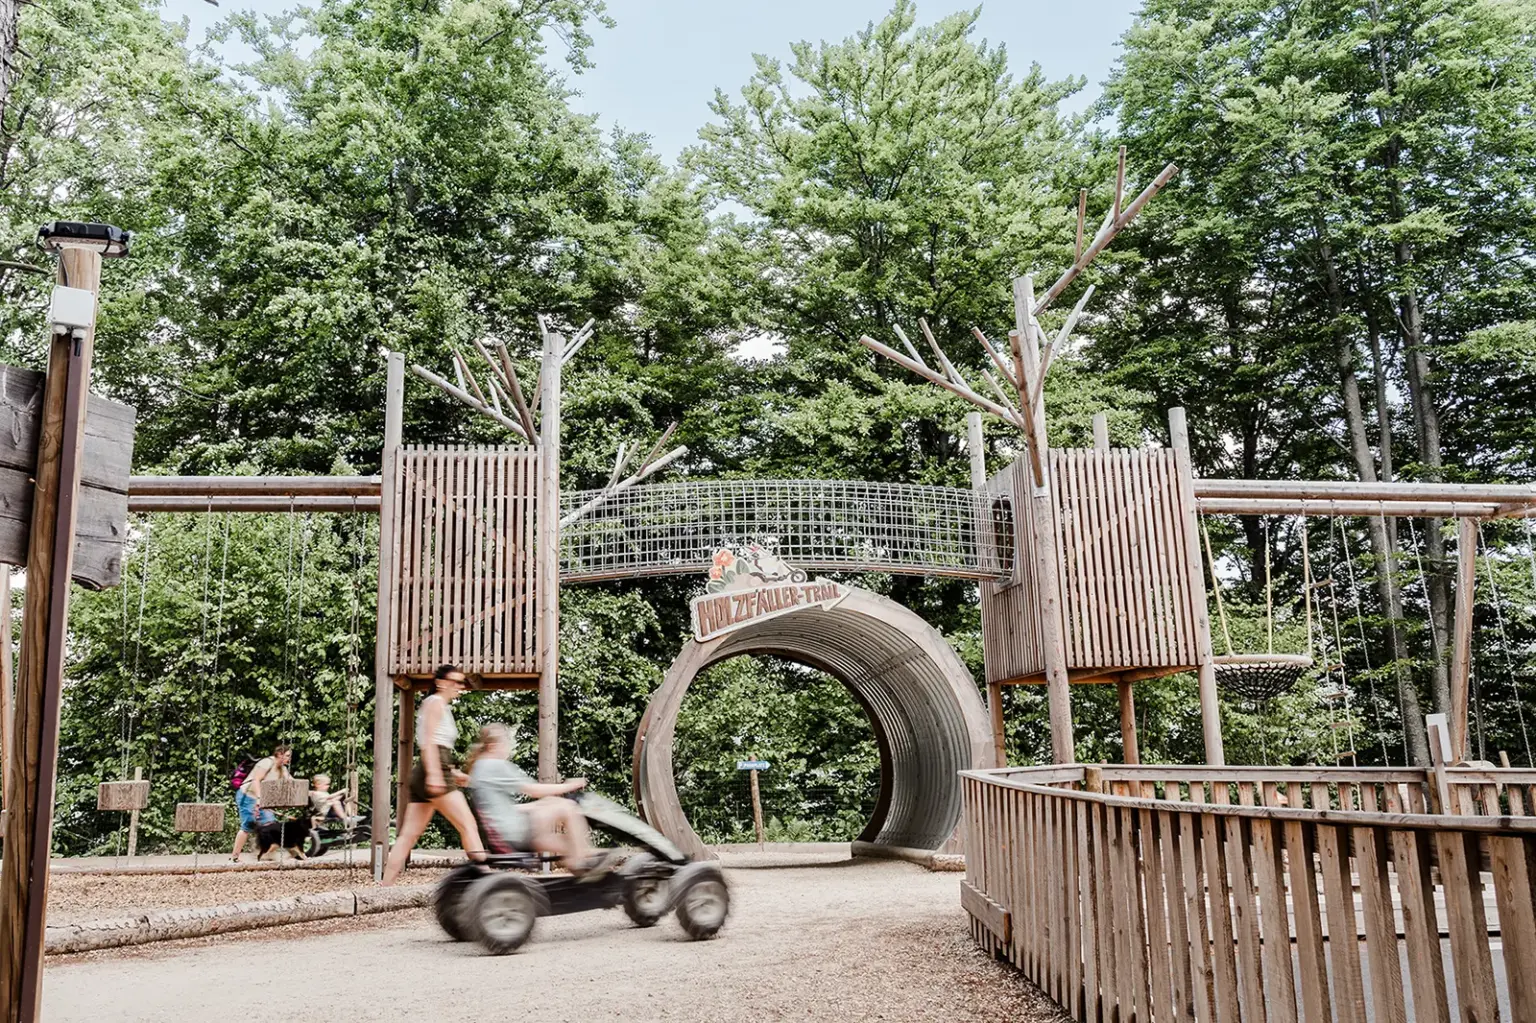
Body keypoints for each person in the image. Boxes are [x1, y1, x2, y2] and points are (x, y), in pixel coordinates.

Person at [381, 664, 486, 886]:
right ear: (440, 682)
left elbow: (438, 747)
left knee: (408, 835)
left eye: (461, 682)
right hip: (432, 771)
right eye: (454, 681)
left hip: (431, 771)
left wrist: (452, 772)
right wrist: (436, 775)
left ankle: (384, 887)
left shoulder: (438, 705)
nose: (459, 686)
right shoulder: (436, 703)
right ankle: (486, 879)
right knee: (468, 825)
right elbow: (428, 743)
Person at [465, 723, 614, 875]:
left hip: (504, 835)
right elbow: (534, 790)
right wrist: (569, 786)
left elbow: (496, 809)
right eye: (506, 743)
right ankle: (579, 863)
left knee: (558, 833)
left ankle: (580, 861)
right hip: (515, 833)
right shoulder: (495, 765)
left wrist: (538, 805)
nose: (508, 749)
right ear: (493, 746)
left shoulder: (478, 768)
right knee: (566, 807)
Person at [231, 744, 291, 862]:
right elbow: (256, 780)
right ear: (279, 754)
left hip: (262, 799)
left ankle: (262, 852)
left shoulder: (283, 769)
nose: (289, 758)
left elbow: (292, 784)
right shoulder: (266, 763)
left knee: (270, 825)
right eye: (287, 755)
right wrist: (258, 799)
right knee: (247, 825)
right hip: (247, 796)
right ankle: (235, 857)